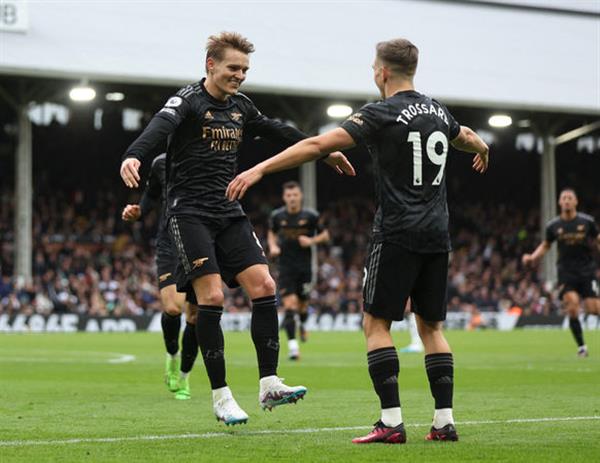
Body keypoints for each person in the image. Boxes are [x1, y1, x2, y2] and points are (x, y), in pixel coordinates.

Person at [227, 38, 489, 443]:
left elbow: (316, 145)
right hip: (438, 234)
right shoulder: (438, 111)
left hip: (397, 232)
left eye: (373, 67)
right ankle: (443, 422)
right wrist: (483, 148)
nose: (372, 72)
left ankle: (391, 422)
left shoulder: (381, 113)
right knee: (432, 328)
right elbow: (465, 136)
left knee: (375, 323)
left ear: (383, 72)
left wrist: (260, 168)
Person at [119, 32, 354, 426]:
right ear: (210, 64)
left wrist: (324, 151)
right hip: (188, 213)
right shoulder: (187, 101)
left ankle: (269, 383)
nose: (240, 75)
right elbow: (159, 129)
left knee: (264, 286)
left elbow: (278, 130)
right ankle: (221, 396)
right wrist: (133, 155)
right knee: (210, 297)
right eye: (233, 68)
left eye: (244, 69)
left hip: (228, 211)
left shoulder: (241, 107)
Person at [122, 153, 199, 400]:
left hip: (200, 242)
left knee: (195, 316)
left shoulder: (209, 157)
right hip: (169, 242)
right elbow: (152, 195)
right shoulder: (160, 163)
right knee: (173, 308)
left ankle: (184, 377)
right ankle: (173, 356)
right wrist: (139, 211)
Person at [522, 188, 600, 357]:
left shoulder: (587, 222)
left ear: (576, 201)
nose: (566, 201)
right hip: (566, 272)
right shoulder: (553, 226)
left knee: (594, 309)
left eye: (569, 198)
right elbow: (546, 245)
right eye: (563, 198)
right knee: (572, 306)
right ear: (559, 202)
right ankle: (582, 347)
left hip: (587, 271)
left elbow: (598, 239)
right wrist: (532, 257)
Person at [268, 181, 330, 360]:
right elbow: (272, 232)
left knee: (302, 307)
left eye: (295, 195)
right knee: (290, 306)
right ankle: (293, 348)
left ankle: (302, 325)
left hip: (305, 268)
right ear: (284, 198)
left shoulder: (310, 216)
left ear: (300, 196)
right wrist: (273, 246)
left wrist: (311, 241)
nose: (292, 198)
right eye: (289, 196)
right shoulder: (277, 216)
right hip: (286, 267)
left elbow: (325, 235)